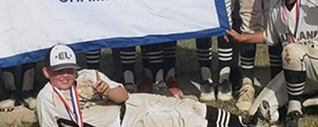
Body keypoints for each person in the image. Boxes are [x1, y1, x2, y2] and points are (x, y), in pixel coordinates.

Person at [36, 44, 251, 127]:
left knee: (188, 106)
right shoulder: (47, 99)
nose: (65, 76)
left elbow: (123, 96)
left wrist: (107, 91)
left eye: (69, 70)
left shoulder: (88, 75)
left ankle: (242, 123)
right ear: (47, 72)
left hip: (132, 103)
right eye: (58, 71)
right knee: (184, 121)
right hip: (125, 122)